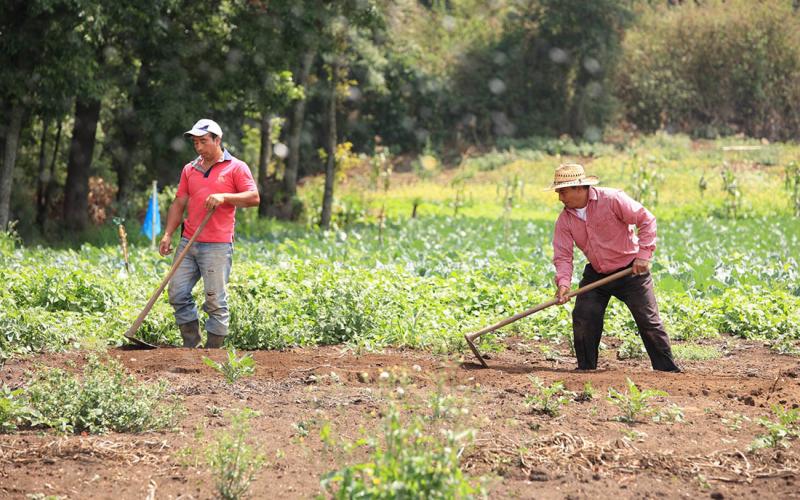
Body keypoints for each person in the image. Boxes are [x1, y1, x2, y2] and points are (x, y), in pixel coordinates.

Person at [548, 163, 680, 372]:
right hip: (597, 273)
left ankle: (667, 371)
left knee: (649, 321)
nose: (560, 198)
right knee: (583, 317)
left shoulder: (612, 199)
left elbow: (646, 220)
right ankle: (585, 370)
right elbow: (563, 255)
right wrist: (564, 284)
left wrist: (643, 255)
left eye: (563, 192)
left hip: (631, 271)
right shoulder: (565, 220)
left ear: (579, 188)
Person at [159, 118, 259, 348]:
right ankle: (191, 344)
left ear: (217, 140)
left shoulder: (236, 168)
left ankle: (213, 351)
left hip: (217, 245)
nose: (199, 147)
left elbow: (253, 198)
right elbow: (178, 203)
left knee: (215, 300)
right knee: (177, 292)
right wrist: (167, 234)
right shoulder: (190, 169)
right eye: (195, 143)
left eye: (203, 141)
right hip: (188, 241)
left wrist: (225, 197)